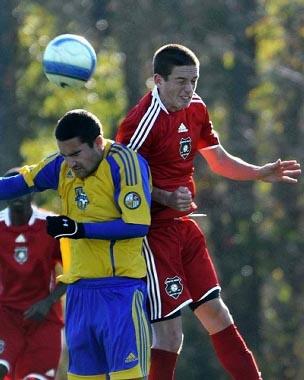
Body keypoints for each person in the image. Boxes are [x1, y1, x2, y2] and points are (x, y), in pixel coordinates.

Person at [116, 44, 301, 380]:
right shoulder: (140, 123)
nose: (189, 89)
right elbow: (117, 182)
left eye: (194, 81)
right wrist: (164, 197)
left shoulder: (196, 108)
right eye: (181, 81)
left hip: (184, 227)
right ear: (158, 80)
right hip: (153, 235)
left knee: (217, 314)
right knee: (170, 336)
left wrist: (260, 171)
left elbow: (218, 159)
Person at [0, 109, 152, 380]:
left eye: (76, 154)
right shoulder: (60, 165)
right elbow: (17, 184)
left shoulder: (124, 163)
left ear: (97, 142)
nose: (70, 163)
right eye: (64, 155)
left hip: (120, 292)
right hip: (80, 295)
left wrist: (79, 229)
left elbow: (138, 225)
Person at [0, 168, 66, 380]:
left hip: (43, 319)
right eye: (11, 189)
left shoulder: (51, 225)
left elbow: (76, 270)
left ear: (33, 192)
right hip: (5, 317)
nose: (17, 195)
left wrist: (48, 302)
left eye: (22, 189)